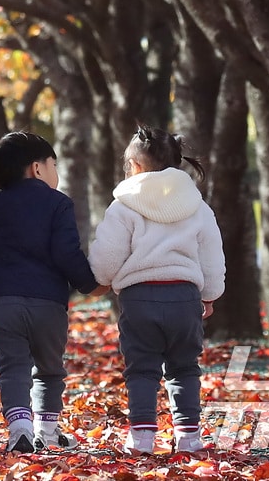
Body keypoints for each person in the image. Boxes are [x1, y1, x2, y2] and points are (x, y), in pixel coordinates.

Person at [88, 126, 226, 455]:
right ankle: (189, 436)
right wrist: (210, 293)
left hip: (139, 300)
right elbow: (211, 253)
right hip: (184, 298)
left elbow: (107, 257)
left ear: (134, 165)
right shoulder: (197, 206)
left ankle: (142, 436)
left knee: (142, 368)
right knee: (184, 367)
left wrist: (98, 278)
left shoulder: (123, 207)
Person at [0, 131, 105, 453]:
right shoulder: (58, 204)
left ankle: (19, 428)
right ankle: (47, 428)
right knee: (48, 368)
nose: (55, 171)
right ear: (37, 168)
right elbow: (67, 252)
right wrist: (90, 285)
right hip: (48, 304)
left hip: (3, 303)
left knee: (12, 366)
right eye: (53, 164)